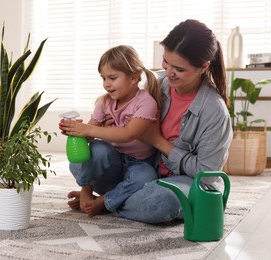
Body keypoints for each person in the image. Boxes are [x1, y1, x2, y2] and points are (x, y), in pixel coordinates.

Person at [66, 19, 233, 224]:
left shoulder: (214, 111)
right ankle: (116, 197)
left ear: (203, 67)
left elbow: (206, 176)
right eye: (166, 62)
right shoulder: (157, 83)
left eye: (179, 69)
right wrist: (104, 126)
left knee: (161, 201)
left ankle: (108, 201)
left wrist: (157, 140)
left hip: (184, 181)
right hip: (142, 171)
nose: (169, 72)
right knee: (94, 154)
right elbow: (122, 106)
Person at [59, 45, 162, 217]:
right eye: (103, 78)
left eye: (112, 78)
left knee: (146, 176)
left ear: (133, 78)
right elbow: (91, 134)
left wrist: (89, 129)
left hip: (137, 163)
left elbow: (129, 133)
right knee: (98, 150)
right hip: (111, 164)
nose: (107, 84)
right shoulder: (105, 102)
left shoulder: (146, 102)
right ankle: (86, 188)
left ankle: (105, 201)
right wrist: (77, 132)